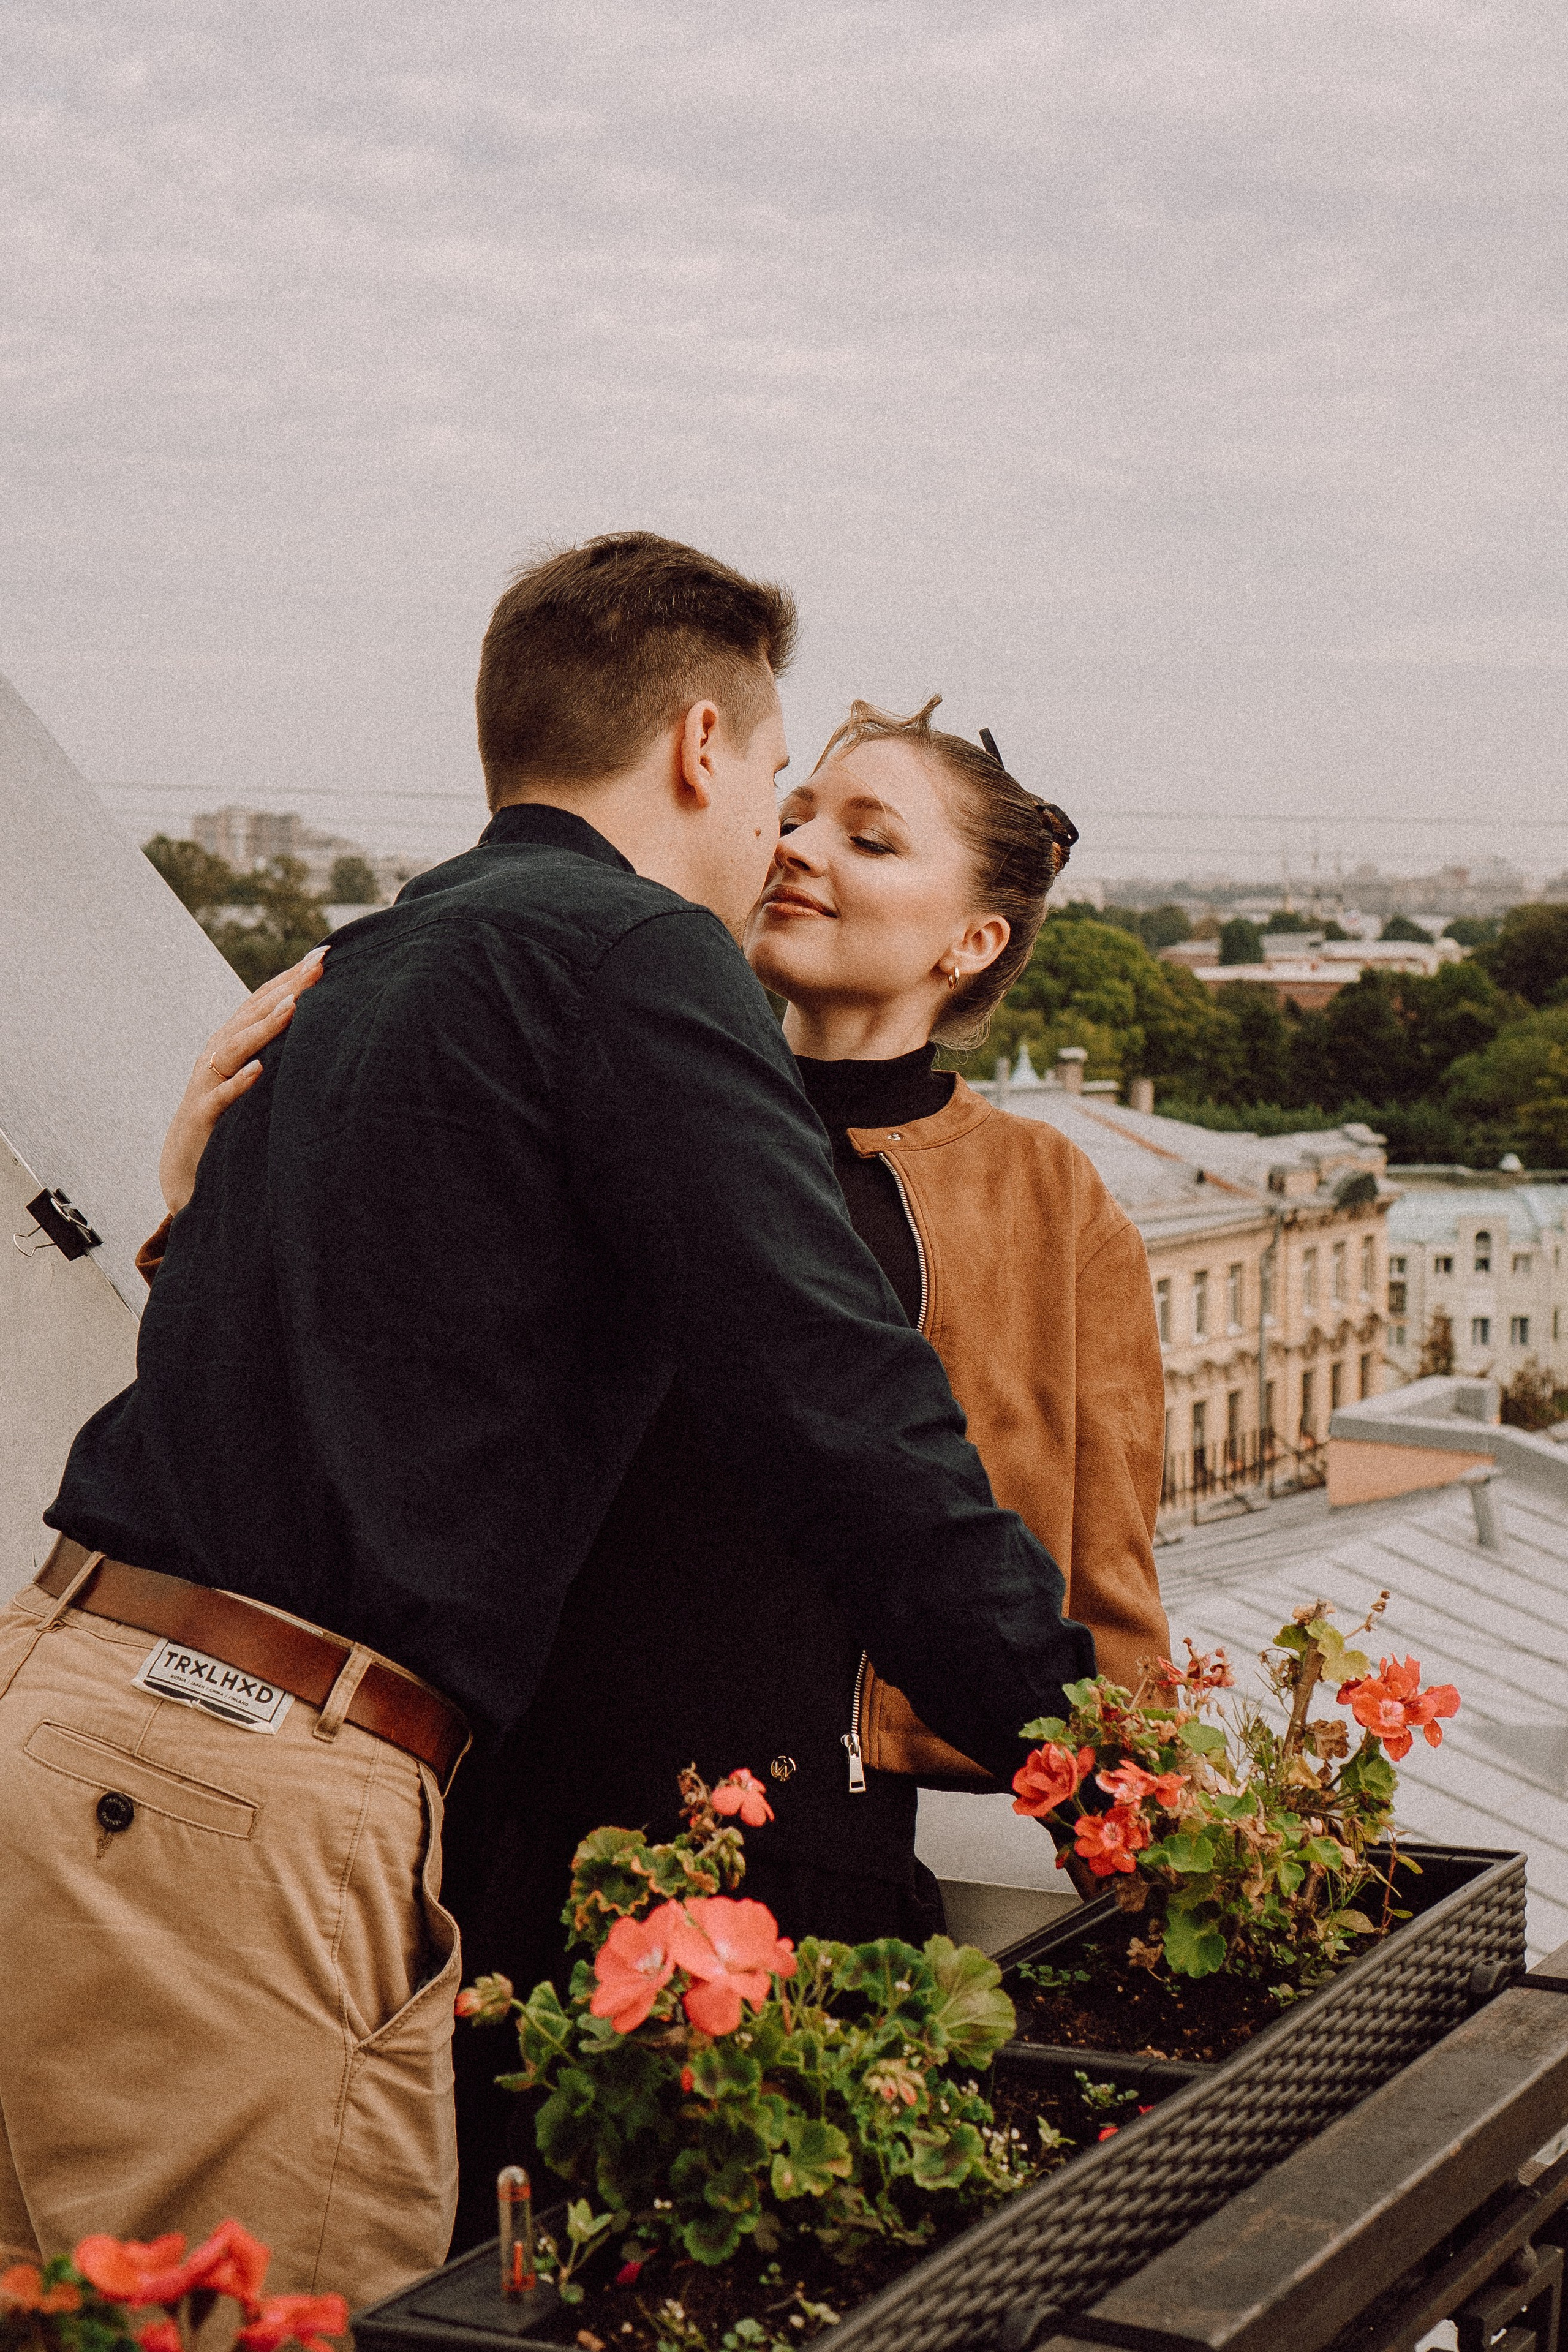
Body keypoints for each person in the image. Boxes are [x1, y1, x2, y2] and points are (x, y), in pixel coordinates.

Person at [0, 534, 1094, 2305]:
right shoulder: (636, 958)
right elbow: (846, 1412)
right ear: (698, 746)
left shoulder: (374, 958)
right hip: (244, 1797)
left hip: (62, 1725)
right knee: (271, 2314)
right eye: (777, 775)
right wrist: (1101, 1765)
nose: (781, 839)